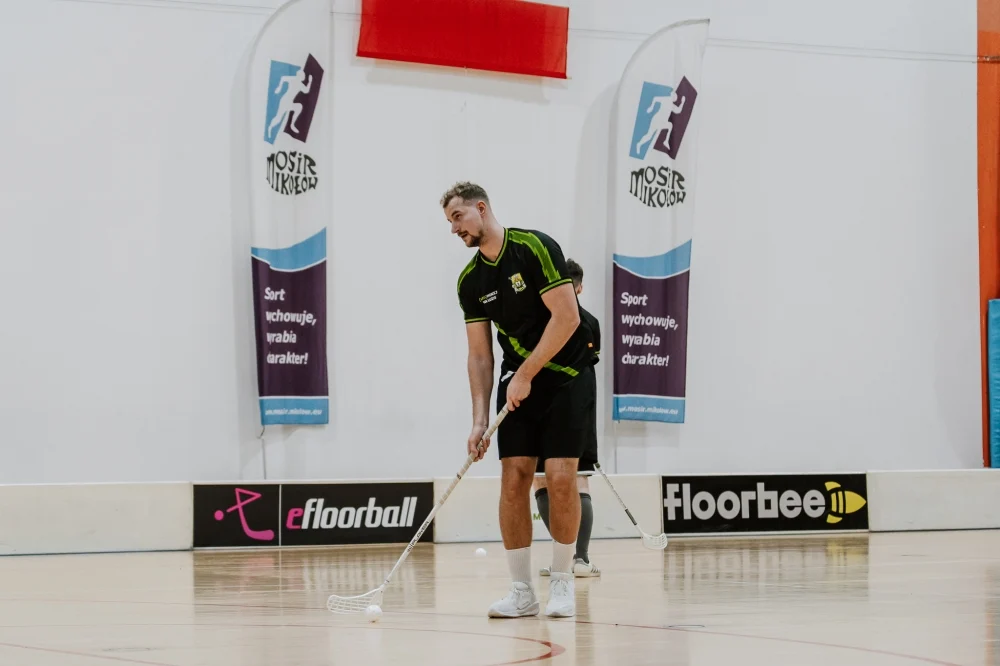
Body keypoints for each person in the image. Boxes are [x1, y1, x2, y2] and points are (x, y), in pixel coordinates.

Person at [444, 181, 596, 619]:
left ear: (481, 208)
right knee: (514, 480)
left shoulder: (534, 247)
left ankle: (562, 582)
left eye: (458, 217)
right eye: (449, 222)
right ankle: (522, 591)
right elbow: (479, 355)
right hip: (517, 384)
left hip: (566, 377)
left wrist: (527, 373)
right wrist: (479, 420)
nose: (454, 229)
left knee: (561, 477)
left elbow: (567, 317)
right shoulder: (470, 281)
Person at [534, 258, 601, 578]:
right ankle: (578, 559)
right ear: (579, 287)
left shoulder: (541, 321)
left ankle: (571, 557)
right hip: (575, 409)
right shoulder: (590, 322)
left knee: (548, 480)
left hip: (550, 409)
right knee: (575, 479)